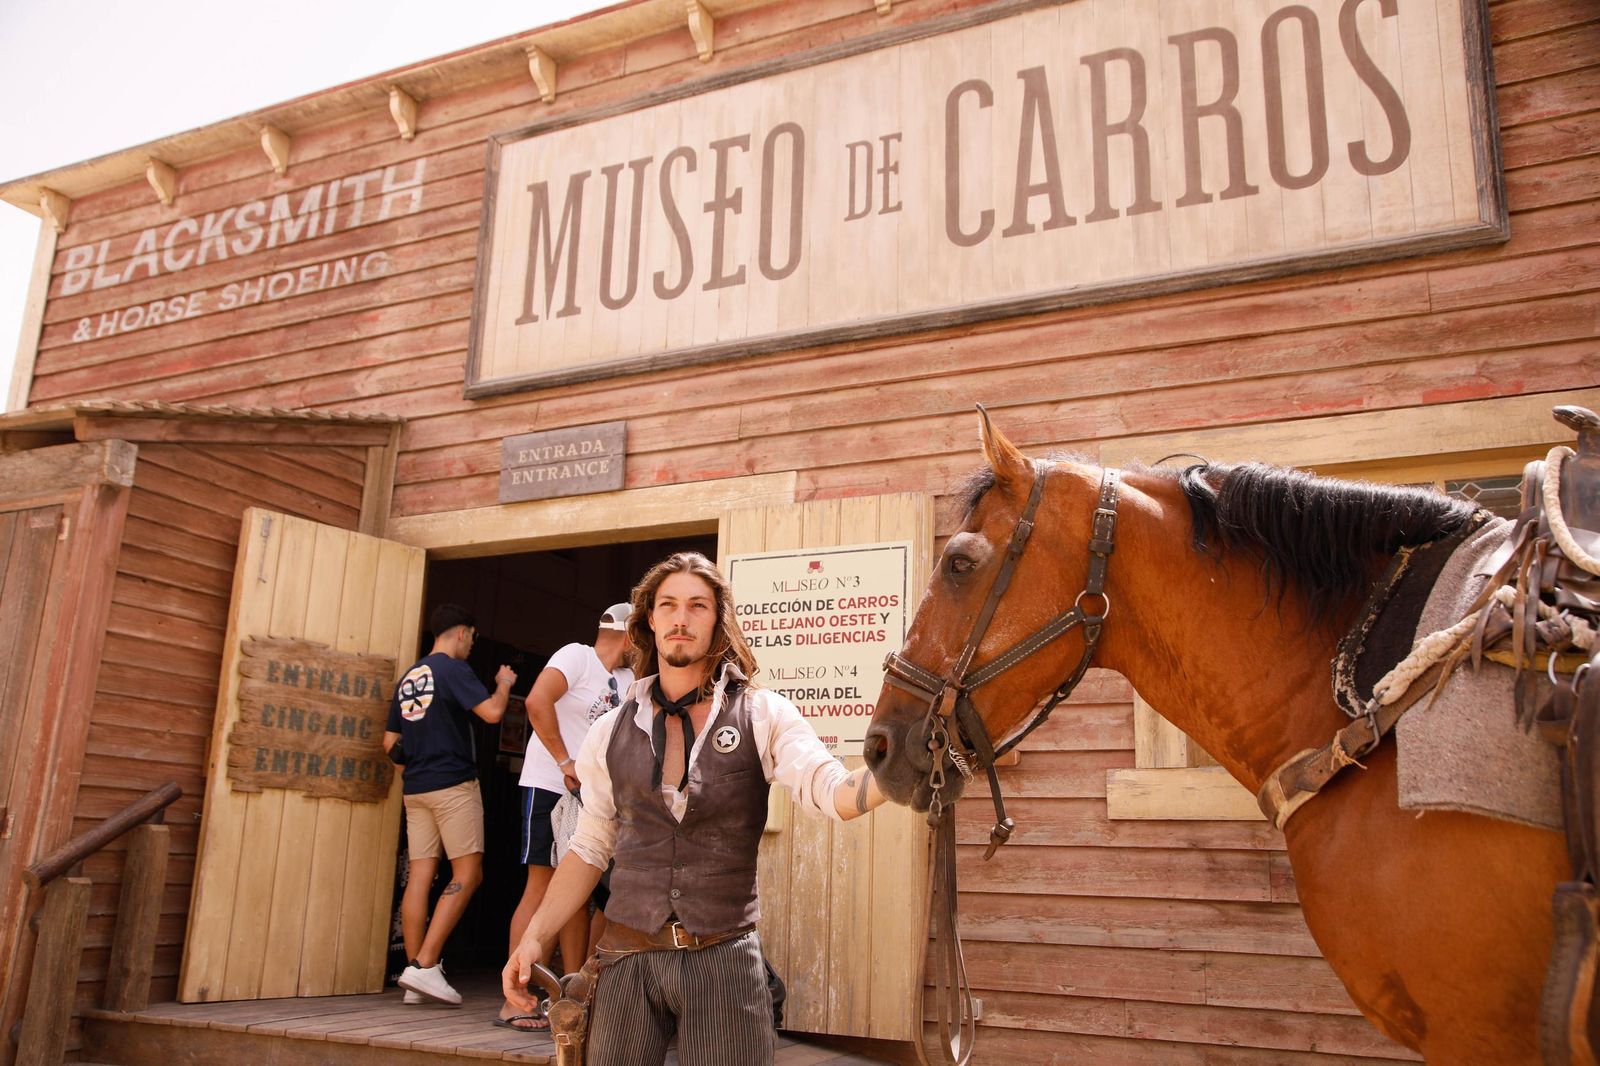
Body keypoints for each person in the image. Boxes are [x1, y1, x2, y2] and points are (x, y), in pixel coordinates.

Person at [502, 552, 887, 1065]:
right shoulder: (608, 731)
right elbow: (590, 848)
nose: (681, 618)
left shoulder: (762, 714)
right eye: (669, 606)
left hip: (724, 962)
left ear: (717, 619)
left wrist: (908, 768)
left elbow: (835, 793)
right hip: (625, 960)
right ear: (650, 620)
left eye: (697, 606)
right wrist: (532, 939)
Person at [497, 602, 635, 1032]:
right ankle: (514, 1000)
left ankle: (571, 996)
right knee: (541, 887)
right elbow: (538, 701)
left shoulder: (629, 680)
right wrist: (564, 760)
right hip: (551, 783)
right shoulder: (577, 656)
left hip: (593, 798)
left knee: (581, 893)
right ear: (629, 636)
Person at [383, 603, 516, 1006]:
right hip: (453, 785)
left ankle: (413, 972)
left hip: (415, 789)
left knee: (421, 875)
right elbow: (492, 714)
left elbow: (389, 744)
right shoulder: (453, 670)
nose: (472, 646)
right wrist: (504, 683)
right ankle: (425, 967)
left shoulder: (410, 677)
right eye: (472, 638)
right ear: (462, 632)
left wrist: (422, 755)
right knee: (468, 873)